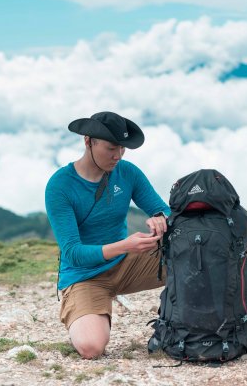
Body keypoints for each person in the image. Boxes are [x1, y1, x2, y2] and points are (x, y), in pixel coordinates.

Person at [45, 111, 170, 359]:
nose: (118, 156)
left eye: (122, 149)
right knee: (91, 348)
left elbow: (165, 210)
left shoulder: (128, 173)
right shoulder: (60, 186)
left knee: (192, 253)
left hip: (127, 264)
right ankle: (88, 309)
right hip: (85, 276)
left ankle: (198, 321)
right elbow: (72, 253)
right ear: (88, 141)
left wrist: (160, 218)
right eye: (111, 148)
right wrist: (125, 246)